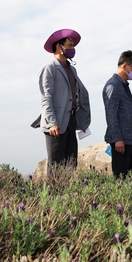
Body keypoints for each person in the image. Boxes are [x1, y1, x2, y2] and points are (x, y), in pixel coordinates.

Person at [37, 28, 91, 173]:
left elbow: (76, 96)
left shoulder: (72, 70)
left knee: (70, 164)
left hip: (71, 122)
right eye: (70, 45)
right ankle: (52, 196)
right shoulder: (49, 68)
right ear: (59, 47)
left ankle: (67, 195)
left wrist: (81, 121)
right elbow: (45, 97)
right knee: (56, 165)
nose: (72, 49)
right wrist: (52, 123)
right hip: (56, 124)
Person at [103, 50, 132, 178]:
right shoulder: (113, 85)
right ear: (125, 66)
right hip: (121, 142)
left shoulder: (124, 85)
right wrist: (117, 139)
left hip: (131, 139)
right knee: (121, 178)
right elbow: (111, 114)